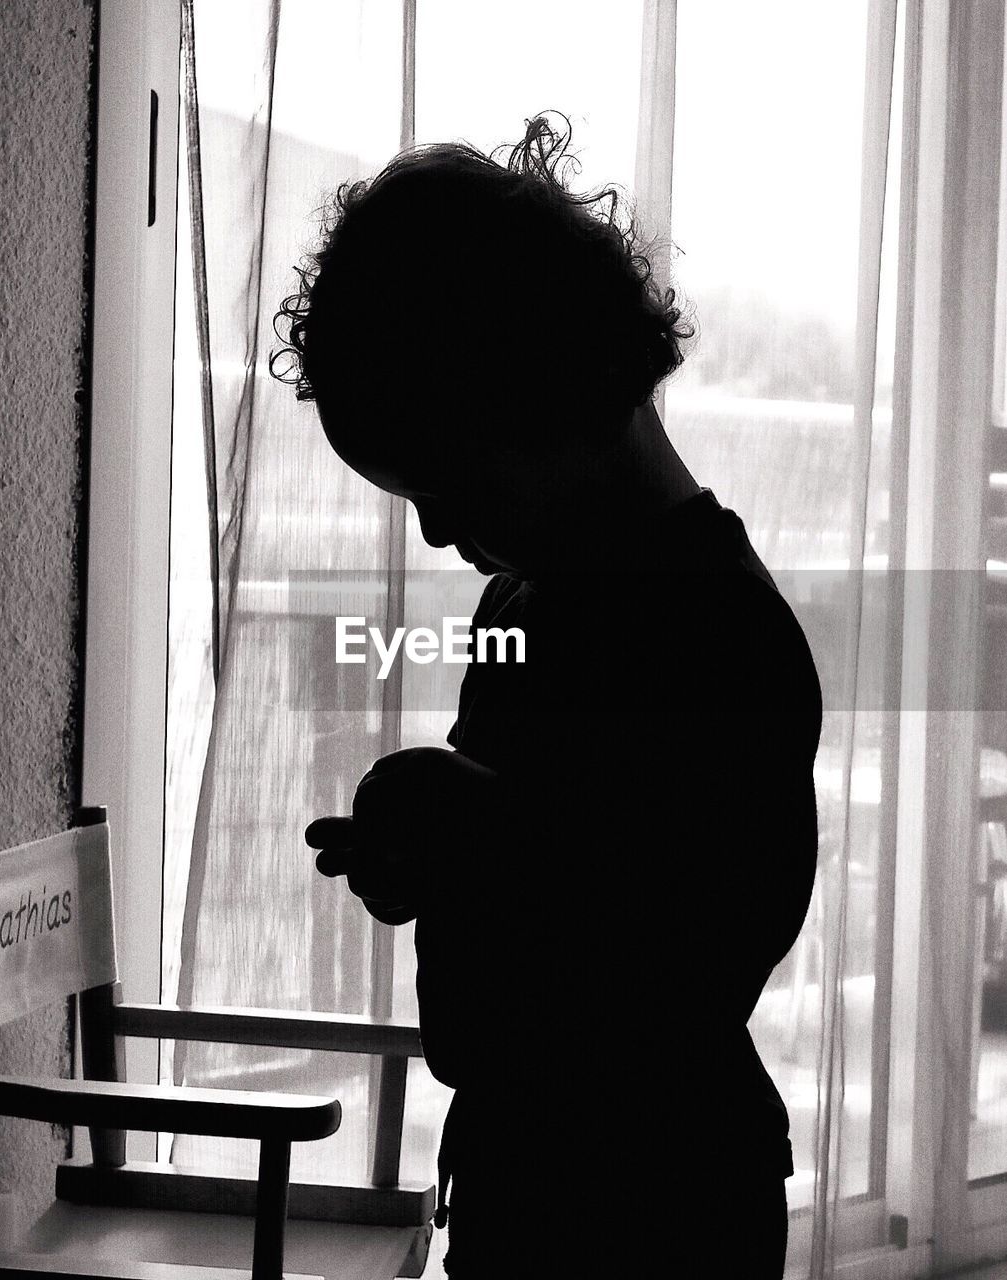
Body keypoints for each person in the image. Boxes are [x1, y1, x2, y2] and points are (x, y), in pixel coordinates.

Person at [273, 113, 822, 1277]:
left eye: (451, 478)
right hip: (526, 1171)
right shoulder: (525, 599)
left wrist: (471, 829)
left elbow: (687, 955)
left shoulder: (720, 633)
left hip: (661, 1201)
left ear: (559, 392)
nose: (432, 528)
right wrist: (424, 847)